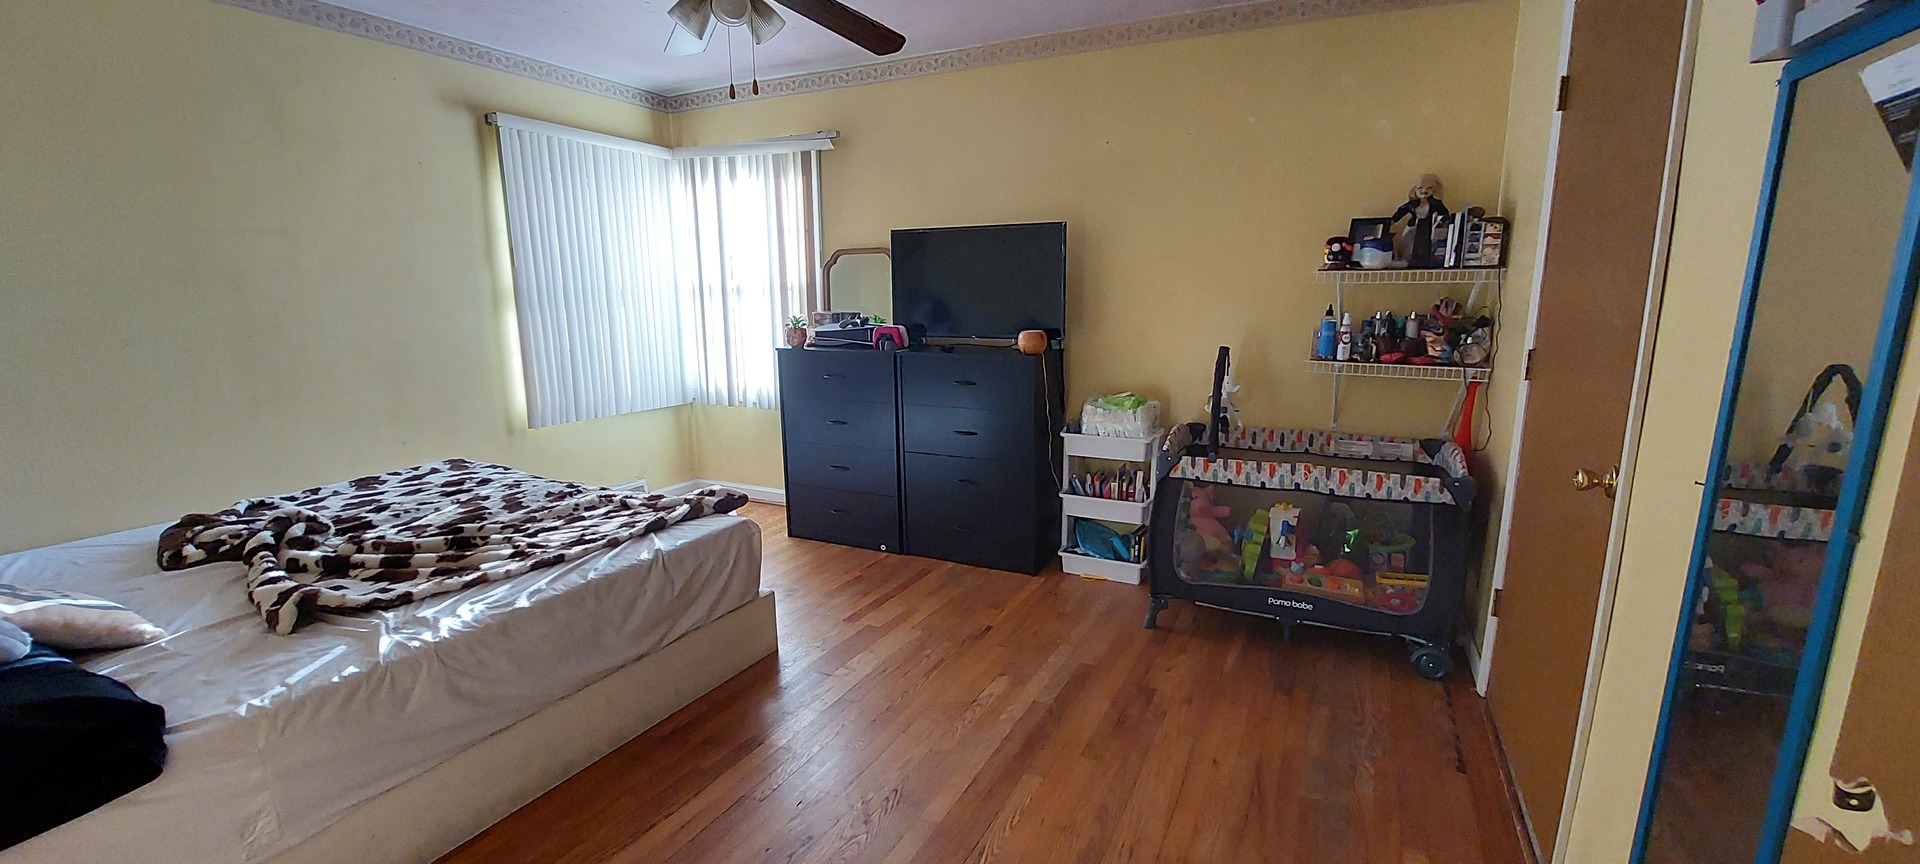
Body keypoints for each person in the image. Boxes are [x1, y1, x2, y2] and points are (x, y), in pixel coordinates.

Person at [1391, 174, 1449, 267]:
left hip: (1428, 228)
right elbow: (1400, 212)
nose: (1424, 191)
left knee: (1429, 246)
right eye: (1420, 188)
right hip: (1414, 228)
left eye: (1428, 188)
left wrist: (1446, 224)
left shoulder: (1436, 204)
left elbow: (1444, 215)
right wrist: (1390, 222)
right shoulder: (1412, 204)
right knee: (1408, 246)